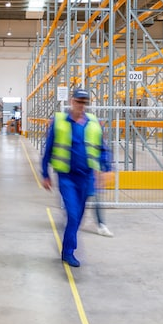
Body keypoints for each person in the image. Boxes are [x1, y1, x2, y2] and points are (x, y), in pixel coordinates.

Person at [40, 88, 112, 267]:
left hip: (87, 177)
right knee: (72, 214)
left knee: (78, 216)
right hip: (67, 177)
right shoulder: (59, 122)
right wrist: (45, 173)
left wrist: (107, 168)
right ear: (72, 101)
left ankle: (68, 248)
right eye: (78, 101)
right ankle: (68, 251)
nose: (81, 105)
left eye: (84, 102)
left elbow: (102, 149)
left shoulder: (93, 123)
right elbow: (48, 149)